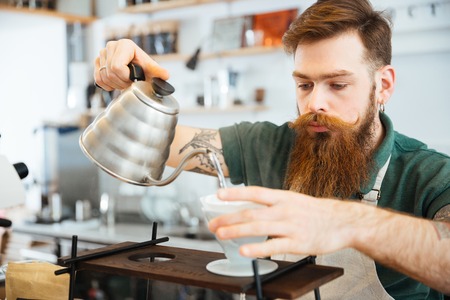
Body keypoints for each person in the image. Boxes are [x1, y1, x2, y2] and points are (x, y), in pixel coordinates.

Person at [93, 0, 450, 298]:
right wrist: (137, 89)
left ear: (383, 85)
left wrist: (350, 222)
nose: (315, 103)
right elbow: (162, 144)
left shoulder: (429, 175)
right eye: (304, 84)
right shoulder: (271, 145)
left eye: (337, 84)